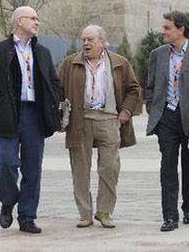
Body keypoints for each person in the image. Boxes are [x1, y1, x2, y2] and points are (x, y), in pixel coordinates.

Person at [0, 6, 62, 235]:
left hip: (34, 115)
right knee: (7, 163)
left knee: (32, 169)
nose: (37, 22)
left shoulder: (43, 53)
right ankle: (8, 201)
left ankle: (27, 217)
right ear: (19, 21)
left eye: (37, 18)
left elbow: (54, 83)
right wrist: (0, 105)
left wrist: (52, 103)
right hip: (9, 114)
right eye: (33, 18)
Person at [58, 25, 141, 229]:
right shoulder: (70, 63)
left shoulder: (119, 62)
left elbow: (134, 89)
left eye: (91, 40)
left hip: (110, 119)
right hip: (80, 120)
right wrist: (60, 115)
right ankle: (85, 214)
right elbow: (56, 89)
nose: (86, 43)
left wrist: (125, 113)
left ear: (103, 42)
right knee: (80, 168)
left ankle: (104, 212)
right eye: (83, 39)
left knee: (110, 168)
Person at [145, 10, 189, 232]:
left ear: (181, 29)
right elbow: (149, 86)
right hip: (167, 117)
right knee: (167, 166)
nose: (163, 32)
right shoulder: (157, 55)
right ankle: (170, 216)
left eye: (167, 28)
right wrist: (152, 109)